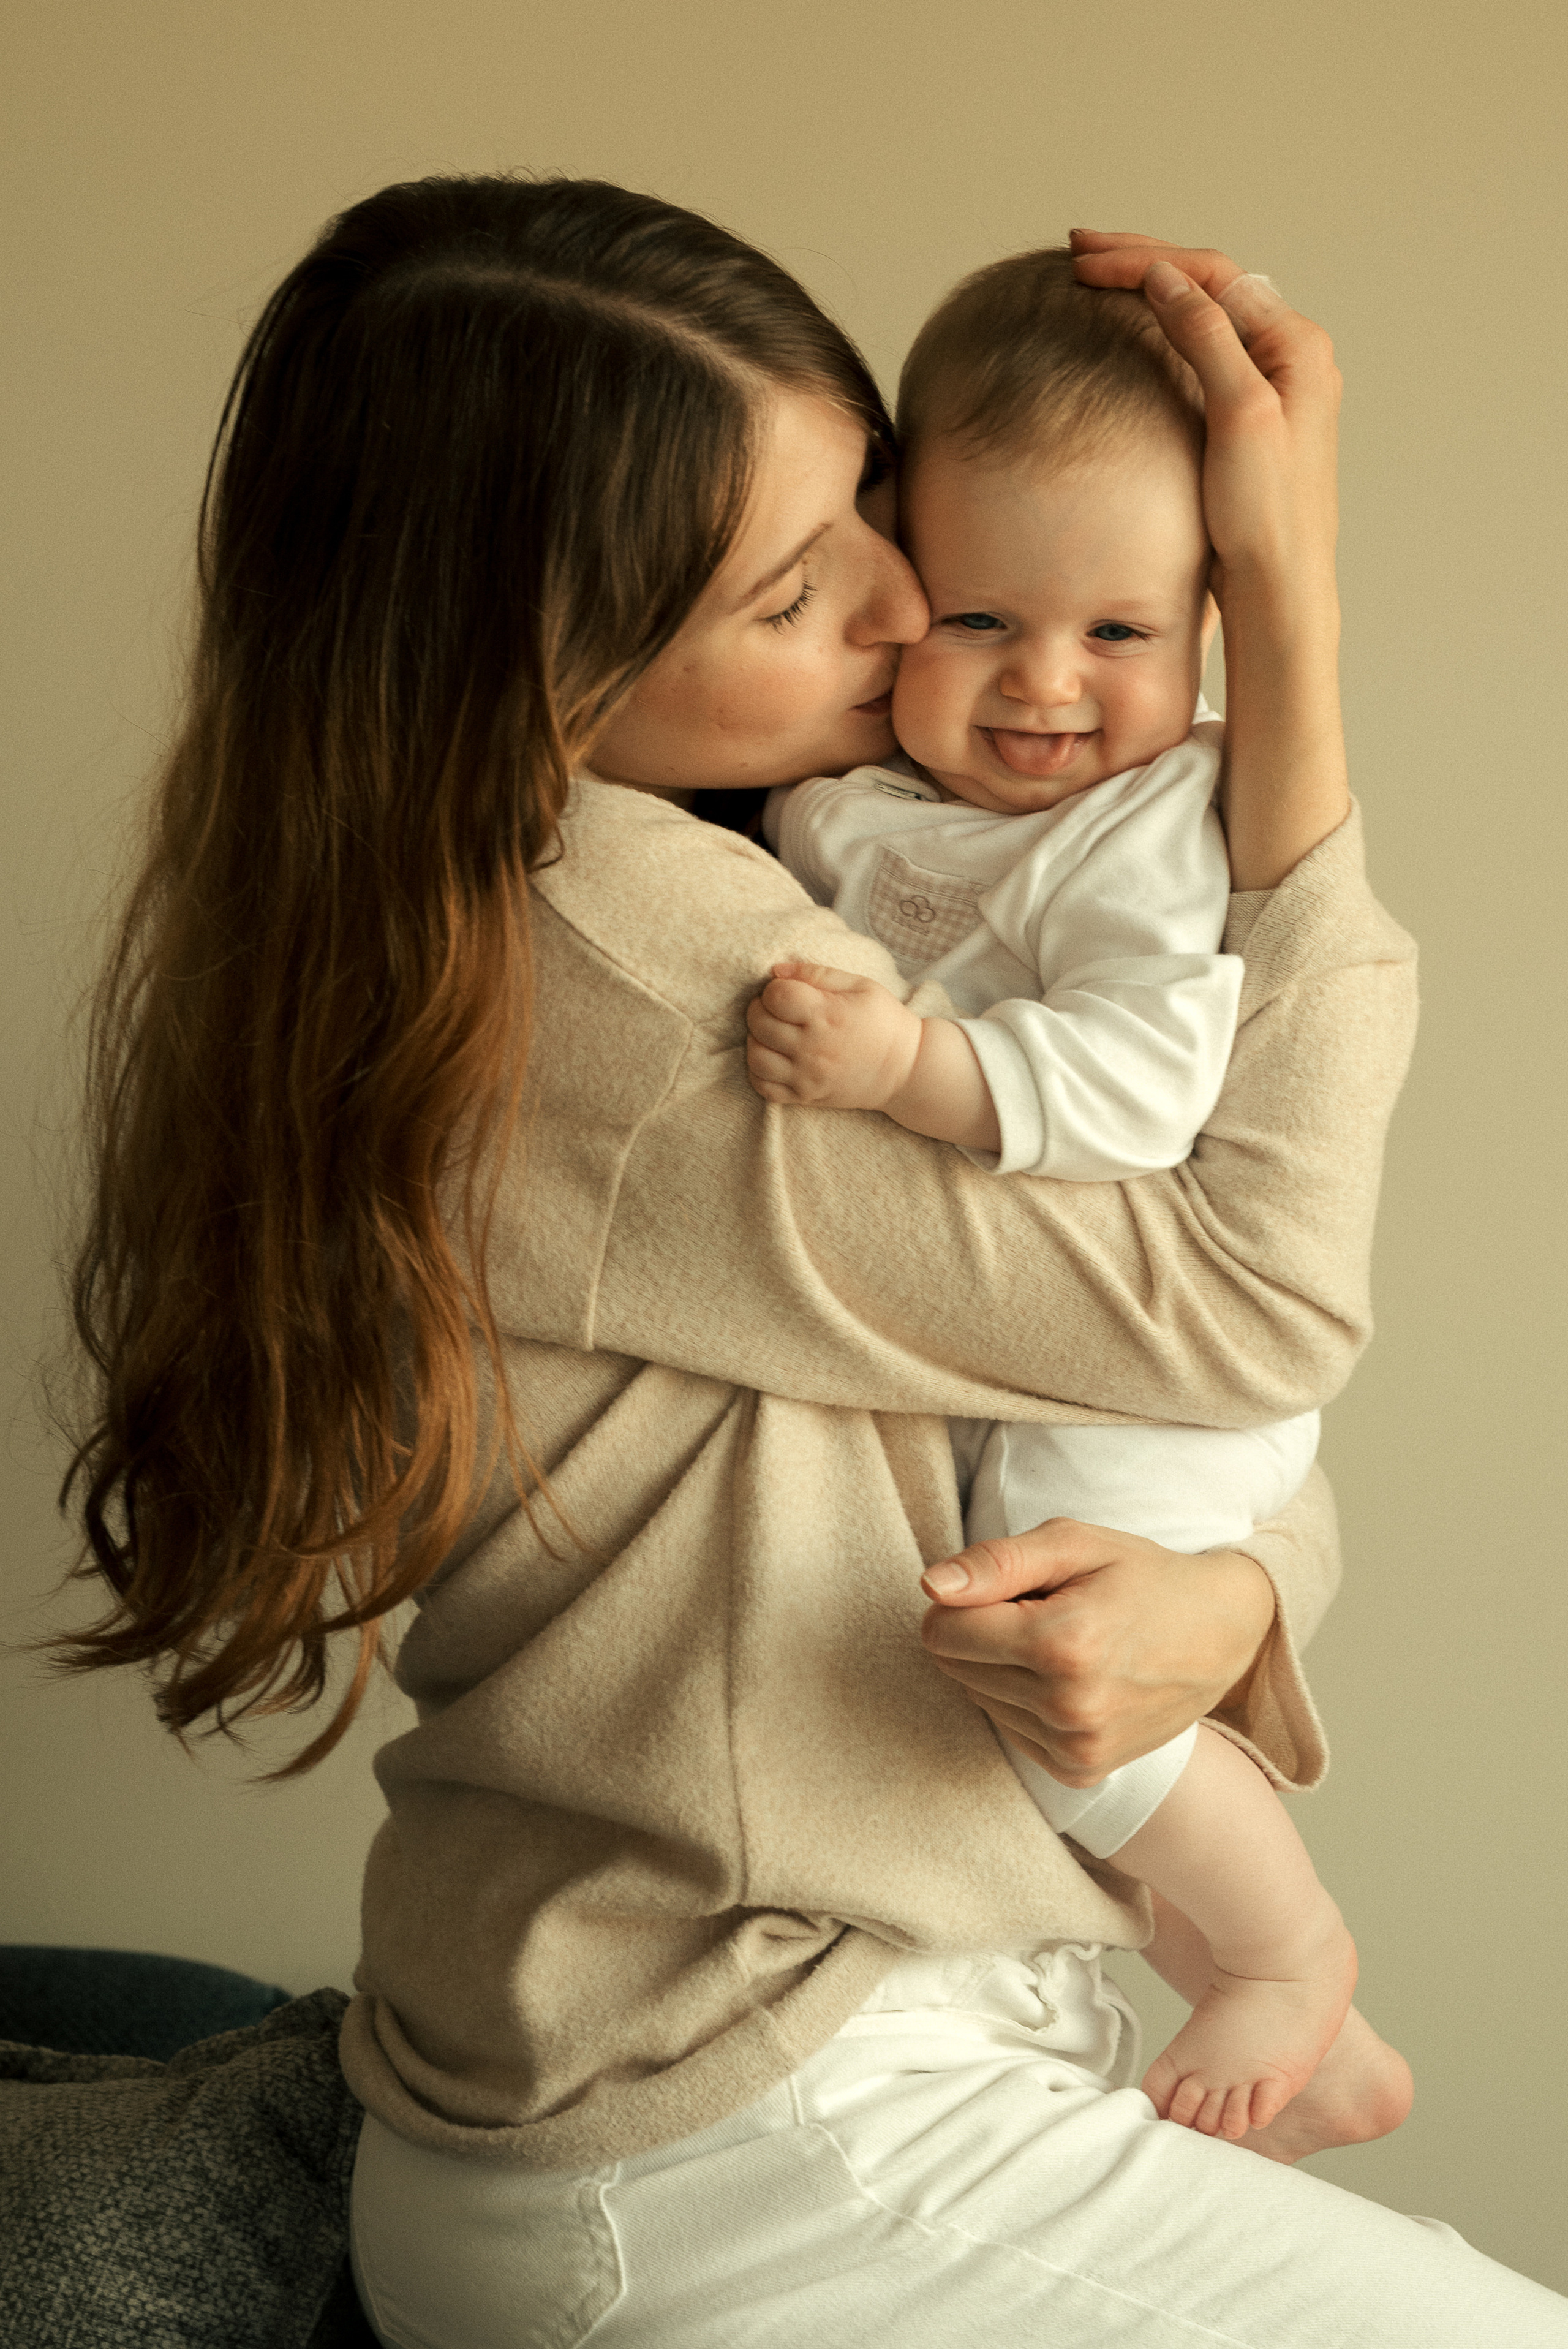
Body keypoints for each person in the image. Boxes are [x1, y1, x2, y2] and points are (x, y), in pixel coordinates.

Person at [55, 178, 1564, 2343]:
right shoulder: (651, 976)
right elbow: (1253, 1296)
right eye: (789, 586)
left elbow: (1140, 1392)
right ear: (539, 669)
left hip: (764, 2079)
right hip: (745, 2127)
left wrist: (1233, 1588)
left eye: (863, 495)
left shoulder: (785, 870)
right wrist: (1288, 627)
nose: (904, 598)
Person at [747, 245, 1395, 2145]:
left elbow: (1145, 1082)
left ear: (1204, 637)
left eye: (1122, 633)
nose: (1043, 684)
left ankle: (1285, 1948)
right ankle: (1270, 2003)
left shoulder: (1143, 832)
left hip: (1147, 1380)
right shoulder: (858, 796)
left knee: (1043, 1622)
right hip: (1092, 1343)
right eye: (979, 616)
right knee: (1045, 1645)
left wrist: (911, 1074)